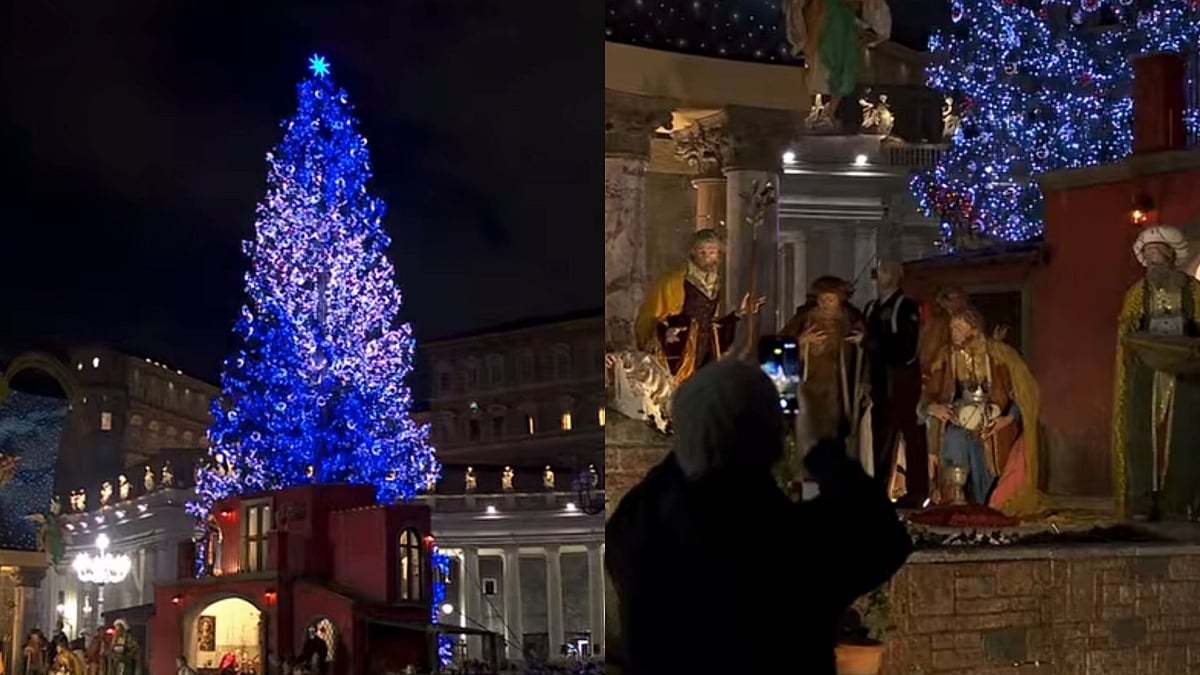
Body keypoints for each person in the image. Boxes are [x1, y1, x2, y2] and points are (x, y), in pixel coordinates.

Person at [605, 360, 912, 674]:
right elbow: (885, 538)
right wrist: (820, 446)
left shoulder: (638, 524)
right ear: (773, 438)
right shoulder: (788, 541)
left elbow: (682, 465)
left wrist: (707, 415)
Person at [1112, 225, 1200, 519]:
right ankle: (1143, 501)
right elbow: (1127, 326)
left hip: (1185, 374)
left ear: (1169, 256)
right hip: (1147, 375)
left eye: (1157, 255)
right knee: (1142, 436)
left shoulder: (1193, 290)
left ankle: (1179, 501)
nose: (1152, 262)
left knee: (1184, 435)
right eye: (1147, 256)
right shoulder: (1137, 293)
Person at [921, 307, 1043, 515]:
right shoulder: (946, 356)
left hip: (993, 425)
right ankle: (953, 503)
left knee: (985, 462)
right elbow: (929, 392)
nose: (954, 332)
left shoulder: (998, 355)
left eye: (959, 327)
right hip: (958, 420)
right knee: (953, 441)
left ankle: (986, 504)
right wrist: (933, 407)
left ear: (974, 329)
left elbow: (1022, 395)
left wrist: (1007, 419)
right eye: (952, 327)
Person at [634, 229, 765, 384]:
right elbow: (653, 318)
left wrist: (739, 313)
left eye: (711, 252)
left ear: (718, 254)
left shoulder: (716, 281)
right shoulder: (674, 281)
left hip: (706, 351)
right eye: (701, 252)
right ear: (693, 252)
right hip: (680, 351)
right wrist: (665, 332)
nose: (707, 257)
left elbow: (711, 323)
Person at [862, 261, 925, 502]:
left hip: (902, 382)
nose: (881, 275)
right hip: (879, 383)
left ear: (897, 276)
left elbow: (906, 350)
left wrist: (871, 343)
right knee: (881, 438)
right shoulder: (871, 308)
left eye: (886, 270)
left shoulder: (905, 306)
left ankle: (917, 492)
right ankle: (878, 490)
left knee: (911, 436)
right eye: (880, 270)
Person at [785, 276, 867, 443]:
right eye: (821, 299)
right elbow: (780, 346)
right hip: (808, 387)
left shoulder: (850, 320)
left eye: (830, 299)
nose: (824, 304)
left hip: (838, 390)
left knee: (834, 436)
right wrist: (801, 341)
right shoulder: (805, 318)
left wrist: (862, 341)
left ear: (839, 301)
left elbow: (867, 351)